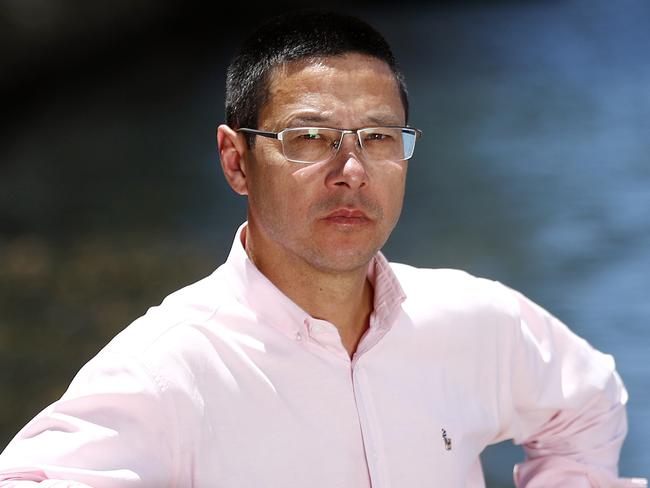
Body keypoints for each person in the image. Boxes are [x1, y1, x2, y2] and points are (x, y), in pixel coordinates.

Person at [0, 9, 646, 488]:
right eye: (309, 137)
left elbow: (588, 402)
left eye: (380, 137)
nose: (353, 170)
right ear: (236, 160)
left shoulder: (475, 320)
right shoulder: (167, 371)